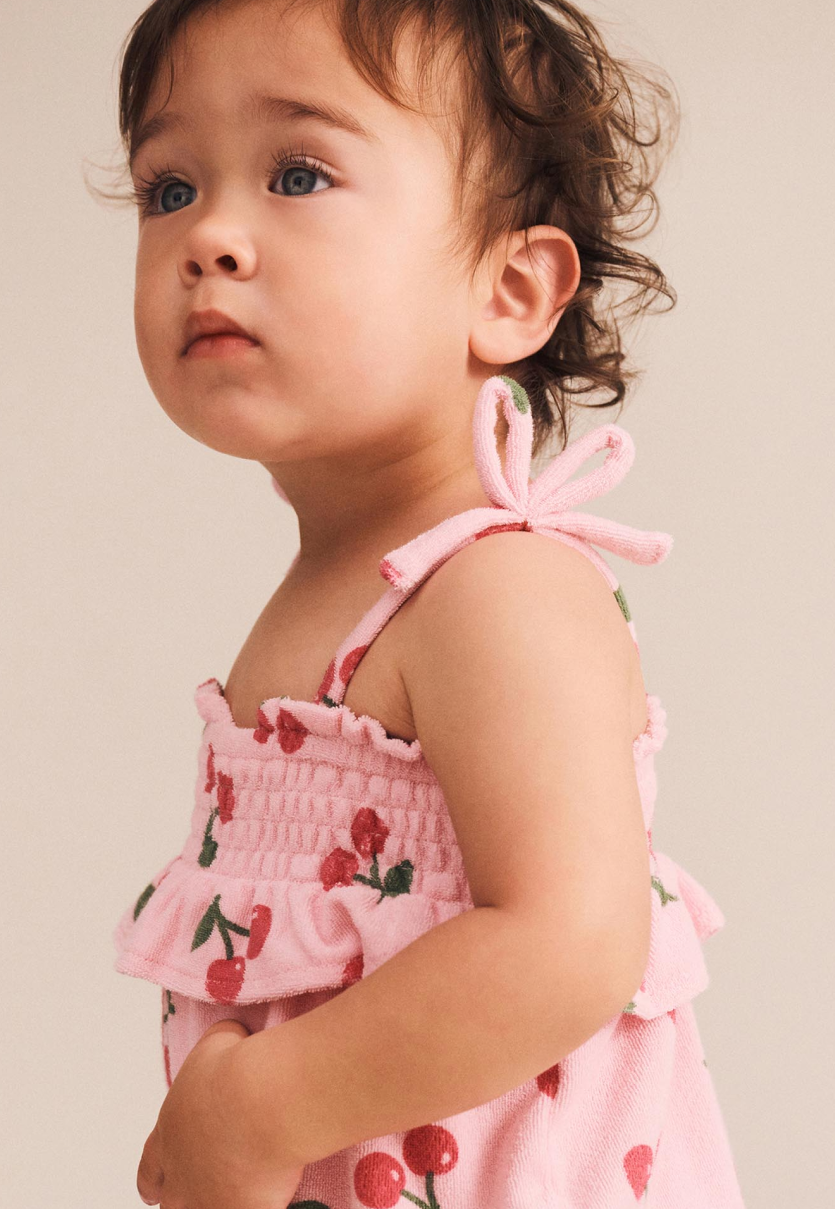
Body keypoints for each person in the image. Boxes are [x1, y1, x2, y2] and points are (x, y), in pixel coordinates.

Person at [101, 0, 746, 1204]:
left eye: (298, 174)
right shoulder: (340, 589)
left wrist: (266, 1108)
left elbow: (571, 941)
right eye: (169, 188)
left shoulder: (497, 588)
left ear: (509, 289)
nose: (210, 237)